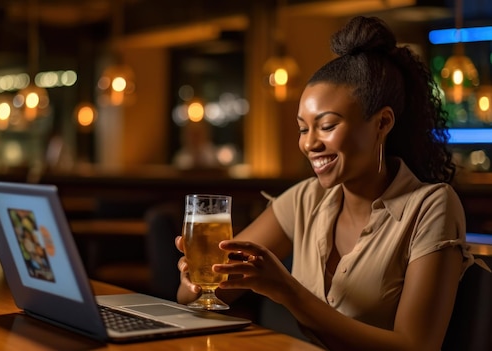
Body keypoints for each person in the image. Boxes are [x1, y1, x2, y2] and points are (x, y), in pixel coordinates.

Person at [175, 16, 486, 350]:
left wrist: (287, 291)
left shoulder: (431, 206)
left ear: (382, 123)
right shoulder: (306, 199)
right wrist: (197, 278)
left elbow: (416, 346)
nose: (310, 143)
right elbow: (201, 295)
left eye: (326, 125)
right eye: (303, 128)